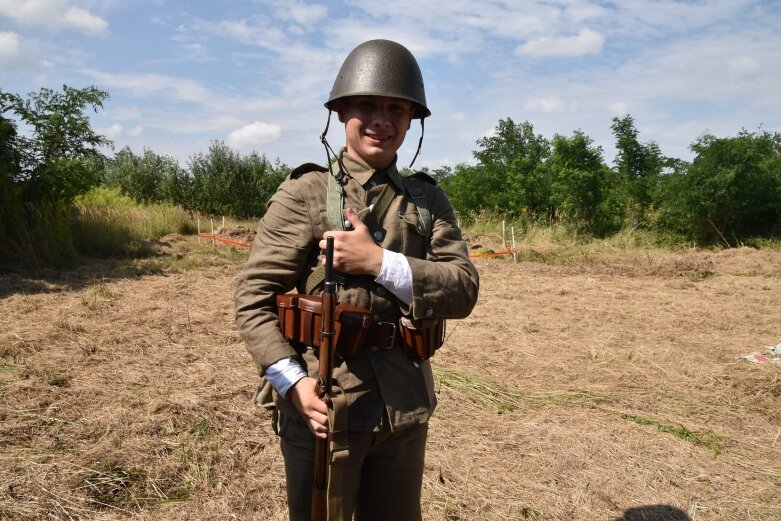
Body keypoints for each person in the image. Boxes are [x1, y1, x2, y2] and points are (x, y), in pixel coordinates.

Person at [235, 39, 479, 521]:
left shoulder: (428, 200)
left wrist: (378, 262)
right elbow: (254, 298)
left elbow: (463, 288)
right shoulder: (306, 192)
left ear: (412, 120)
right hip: (325, 404)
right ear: (341, 110)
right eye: (368, 104)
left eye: (396, 108)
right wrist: (293, 384)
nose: (382, 120)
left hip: (404, 409)